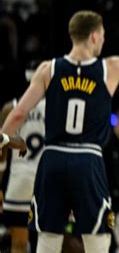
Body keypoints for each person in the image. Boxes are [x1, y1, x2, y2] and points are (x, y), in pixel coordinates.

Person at [0, 0, 119, 253]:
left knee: (48, 238)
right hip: (88, 159)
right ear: (93, 36)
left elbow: (19, 113)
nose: (103, 40)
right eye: (102, 35)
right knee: (97, 238)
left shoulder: (48, 69)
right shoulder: (109, 69)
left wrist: (4, 140)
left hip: (52, 157)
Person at [0, 61, 44, 253]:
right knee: (51, 243)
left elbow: (1, 154)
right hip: (47, 183)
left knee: (18, 245)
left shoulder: (10, 108)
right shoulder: (58, 110)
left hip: (19, 182)